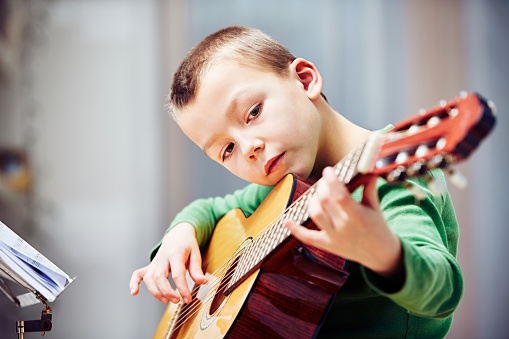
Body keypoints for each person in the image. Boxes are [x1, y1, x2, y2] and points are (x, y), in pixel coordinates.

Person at [130, 25, 463, 338]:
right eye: (226, 149)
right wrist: (180, 232)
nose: (249, 149)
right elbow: (212, 208)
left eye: (253, 112)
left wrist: (384, 252)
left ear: (305, 81)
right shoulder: (281, 191)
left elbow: (443, 290)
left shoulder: (391, 181)